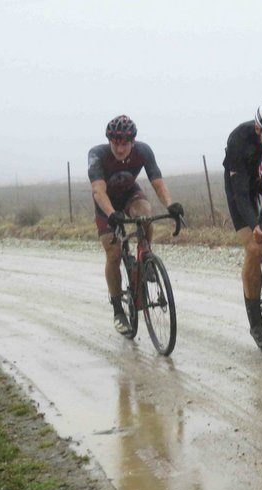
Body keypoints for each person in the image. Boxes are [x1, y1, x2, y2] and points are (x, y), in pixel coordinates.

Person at [88, 114, 184, 335]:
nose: (119, 149)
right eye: (115, 143)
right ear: (109, 141)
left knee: (145, 214)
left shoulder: (143, 151)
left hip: (130, 193)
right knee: (112, 253)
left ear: (132, 142)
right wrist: (112, 214)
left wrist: (170, 205)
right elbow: (98, 191)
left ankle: (145, 257)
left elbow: (157, 182)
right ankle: (117, 309)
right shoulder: (97, 155)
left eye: (124, 144)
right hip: (106, 202)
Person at [223, 101, 262, 353]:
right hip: (242, 184)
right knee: (253, 247)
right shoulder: (240, 139)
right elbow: (241, 194)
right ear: (258, 131)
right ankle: (256, 321)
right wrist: (255, 226)